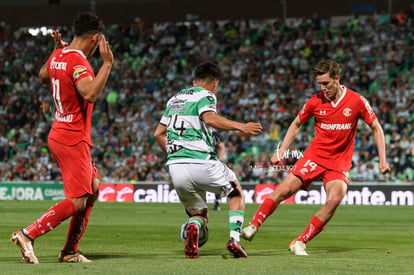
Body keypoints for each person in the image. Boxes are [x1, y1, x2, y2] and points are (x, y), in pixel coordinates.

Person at [241, 59, 390, 256]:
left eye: (326, 83)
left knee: (335, 199)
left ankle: (300, 241)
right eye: (319, 84)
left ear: (337, 79)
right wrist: (281, 151)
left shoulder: (356, 101)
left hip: (339, 163)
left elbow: (376, 128)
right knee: (285, 190)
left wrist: (382, 160)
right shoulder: (314, 101)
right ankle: (254, 225)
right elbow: (296, 124)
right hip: (314, 157)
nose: (323, 88)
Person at [10, 11, 113, 264]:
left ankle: (69, 251)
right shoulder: (79, 62)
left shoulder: (60, 54)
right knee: (78, 201)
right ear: (95, 38)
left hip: (61, 132)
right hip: (72, 137)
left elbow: (43, 76)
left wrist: (55, 50)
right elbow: (89, 94)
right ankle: (27, 234)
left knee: (93, 188)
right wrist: (107, 64)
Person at [154, 62, 262, 258]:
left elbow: (158, 134)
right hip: (200, 160)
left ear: (194, 81)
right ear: (215, 84)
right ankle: (234, 240)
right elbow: (210, 118)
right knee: (236, 192)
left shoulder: (174, 99)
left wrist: (173, 153)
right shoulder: (206, 95)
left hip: (176, 166)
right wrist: (241, 127)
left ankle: (193, 227)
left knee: (199, 215)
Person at [213, 130, 225, 211]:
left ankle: (217, 202)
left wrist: (219, 160)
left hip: (212, 162)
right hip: (200, 161)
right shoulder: (198, 131)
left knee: (215, 182)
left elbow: (221, 147)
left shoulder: (215, 134)